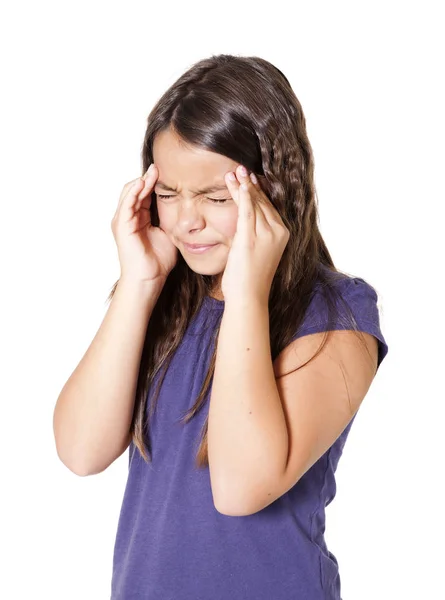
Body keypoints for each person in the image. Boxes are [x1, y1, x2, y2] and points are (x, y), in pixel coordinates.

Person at [53, 54, 389, 600]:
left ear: (275, 189)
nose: (187, 220)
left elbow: (239, 488)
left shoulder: (338, 316)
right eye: (167, 194)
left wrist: (247, 295)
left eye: (214, 197)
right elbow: (80, 450)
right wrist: (138, 283)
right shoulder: (165, 300)